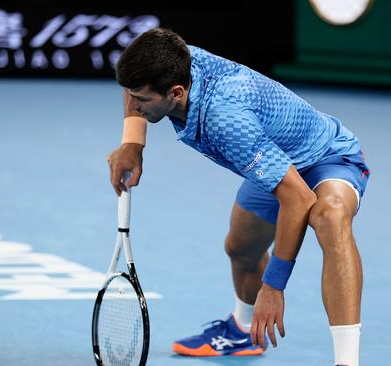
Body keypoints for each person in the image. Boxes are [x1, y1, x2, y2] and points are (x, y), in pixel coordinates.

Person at [107, 28, 370, 366]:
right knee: (241, 248)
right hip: (272, 160)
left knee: (329, 216)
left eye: (142, 101)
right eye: (132, 96)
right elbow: (135, 86)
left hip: (326, 158)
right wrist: (133, 143)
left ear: (175, 92)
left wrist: (273, 288)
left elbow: (300, 199)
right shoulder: (175, 60)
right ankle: (242, 331)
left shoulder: (225, 119)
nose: (133, 104)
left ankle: (347, 361)